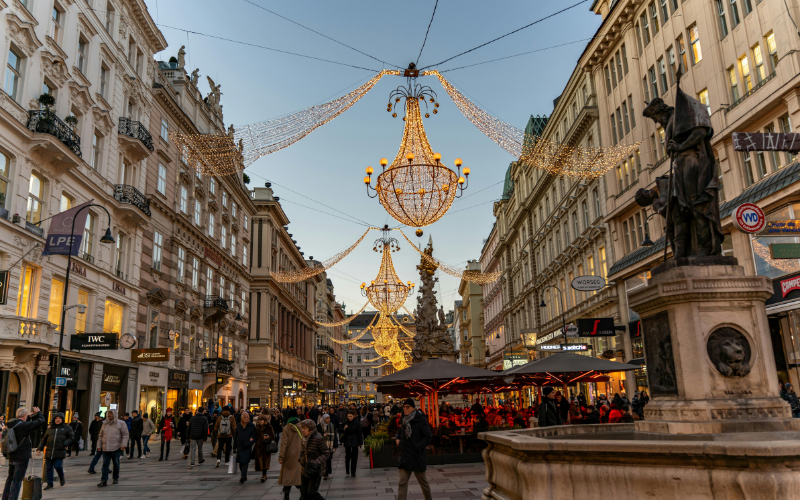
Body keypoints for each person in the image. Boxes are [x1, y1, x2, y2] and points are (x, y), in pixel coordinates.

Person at [2, 406, 44, 500]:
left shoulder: (10, 423)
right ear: (24, 415)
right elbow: (41, 421)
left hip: (12, 454)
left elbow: (21, 423)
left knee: (10, 478)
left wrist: (28, 416)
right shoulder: (24, 426)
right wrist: (39, 412)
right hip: (21, 456)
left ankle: (5, 497)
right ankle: (12, 498)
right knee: (17, 480)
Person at [395, 398, 432, 500]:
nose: (405, 409)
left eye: (408, 407)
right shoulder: (403, 418)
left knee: (423, 482)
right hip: (405, 455)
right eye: (404, 407)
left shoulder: (420, 419)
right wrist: (397, 438)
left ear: (413, 408)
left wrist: (417, 447)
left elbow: (428, 437)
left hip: (417, 456)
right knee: (402, 483)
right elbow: (400, 430)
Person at [36, 412, 74, 490]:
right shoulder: (50, 429)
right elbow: (44, 439)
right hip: (49, 451)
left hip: (59, 451)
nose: (58, 420)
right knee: (49, 468)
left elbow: (71, 437)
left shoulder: (67, 428)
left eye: (59, 418)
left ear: (62, 420)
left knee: (58, 466)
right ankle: (49, 484)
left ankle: (61, 477)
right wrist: (39, 448)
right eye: (56, 418)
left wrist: (64, 444)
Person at [298, 419, 330, 500]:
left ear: (311, 429)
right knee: (303, 493)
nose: (303, 430)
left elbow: (326, 453)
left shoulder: (318, 438)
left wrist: (316, 462)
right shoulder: (303, 438)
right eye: (302, 428)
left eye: (305, 428)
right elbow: (302, 451)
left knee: (311, 492)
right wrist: (300, 458)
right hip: (305, 467)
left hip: (314, 469)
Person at [96, 409, 129, 487]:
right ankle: (104, 480)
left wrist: (123, 445)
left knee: (116, 464)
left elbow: (125, 434)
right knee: (105, 464)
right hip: (106, 447)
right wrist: (98, 446)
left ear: (114, 414)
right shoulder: (104, 424)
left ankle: (115, 477)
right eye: (108, 413)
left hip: (116, 447)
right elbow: (100, 436)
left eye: (111, 413)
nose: (109, 415)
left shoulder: (121, 423)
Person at [278, 410, 303, 500]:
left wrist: (281, 456)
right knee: (297, 475)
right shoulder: (301, 426)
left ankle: (286, 496)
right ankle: (303, 494)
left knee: (288, 476)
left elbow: (283, 443)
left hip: (289, 455)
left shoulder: (287, 428)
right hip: (299, 454)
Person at [235, 412, 257, 483]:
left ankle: (243, 476)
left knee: (245, 462)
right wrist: (234, 446)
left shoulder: (251, 426)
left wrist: (251, 442)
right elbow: (235, 436)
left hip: (247, 446)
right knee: (241, 462)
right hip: (240, 446)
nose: (246, 418)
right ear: (241, 418)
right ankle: (243, 475)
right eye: (244, 417)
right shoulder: (238, 426)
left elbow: (255, 436)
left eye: (247, 417)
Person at [254, 413, 275, 483]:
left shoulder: (269, 427)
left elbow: (273, 437)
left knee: (265, 461)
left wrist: (268, 437)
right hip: (259, 446)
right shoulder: (257, 427)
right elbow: (255, 437)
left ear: (265, 420)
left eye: (261, 420)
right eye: (259, 420)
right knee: (260, 461)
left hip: (266, 447)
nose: (260, 421)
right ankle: (263, 474)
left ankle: (264, 475)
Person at [320, 414, 337, 480]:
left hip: (330, 445)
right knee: (324, 460)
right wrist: (322, 434)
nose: (328, 419)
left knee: (329, 459)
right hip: (322, 446)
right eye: (327, 418)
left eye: (329, 418)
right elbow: (316, 434)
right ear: (324, 419)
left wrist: (335, 445)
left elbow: (334, 436)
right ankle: (325, 473)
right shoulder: (319, 426)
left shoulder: (332, 426)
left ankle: (327, 471)